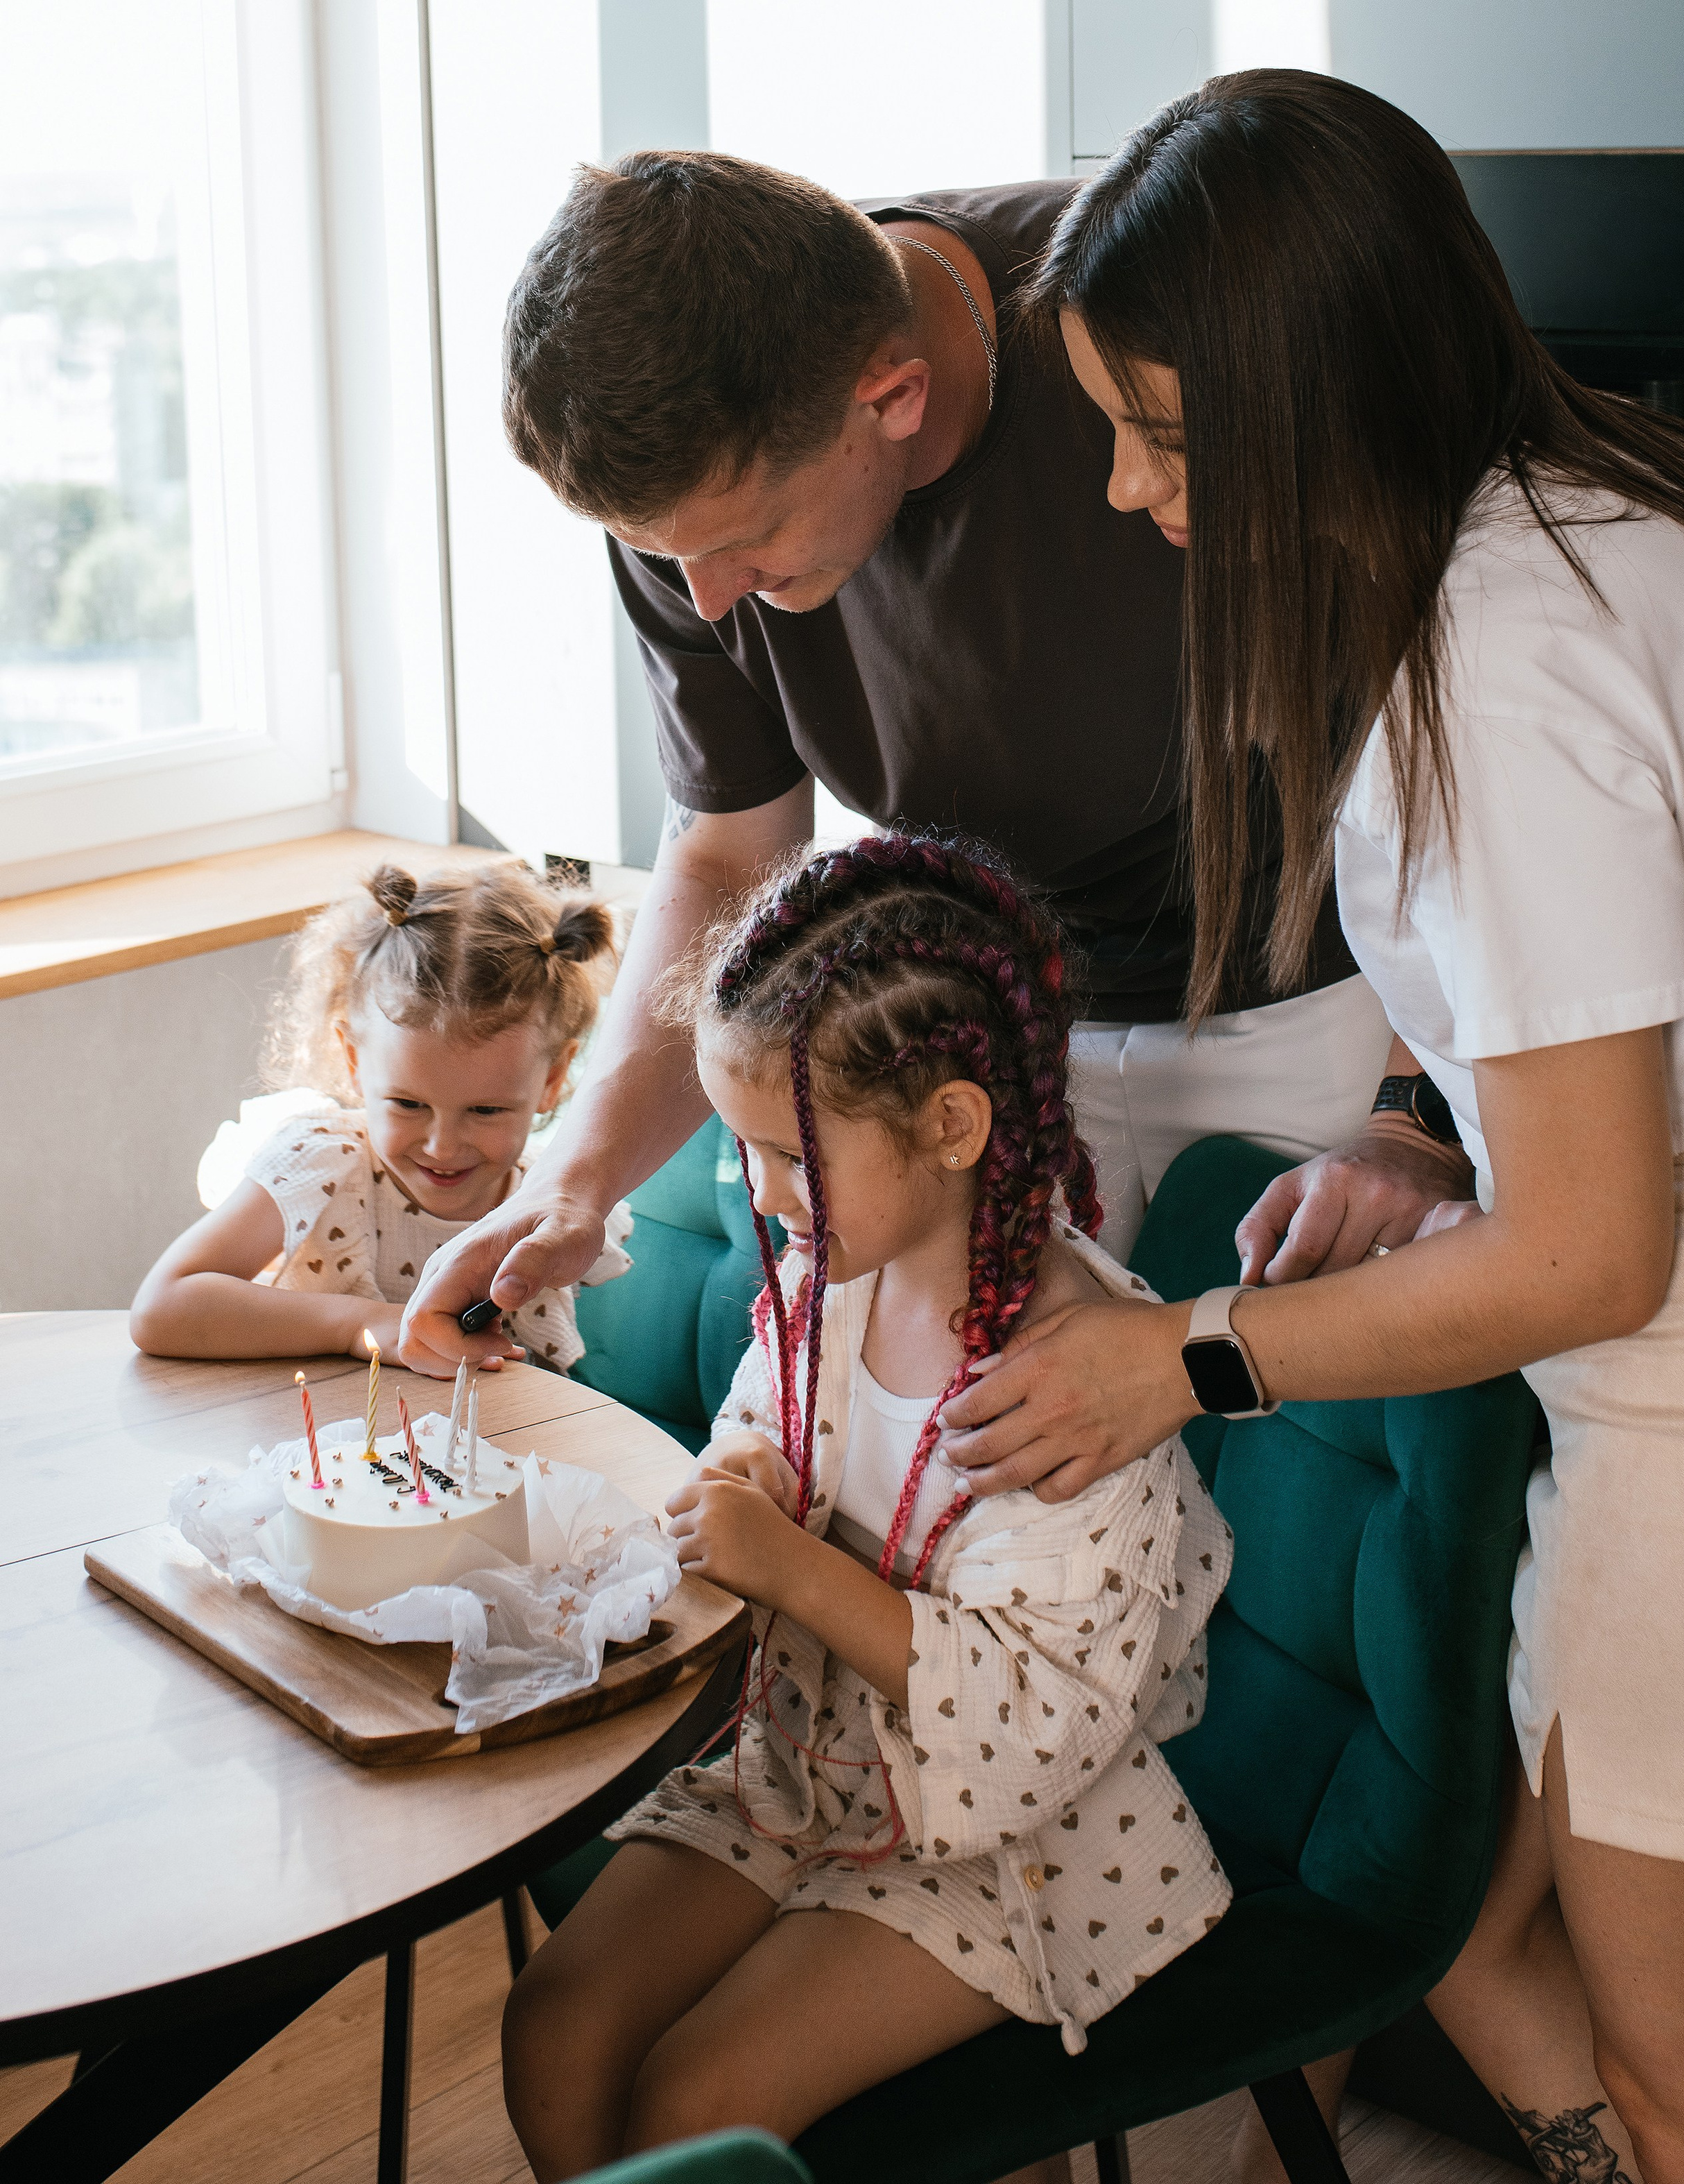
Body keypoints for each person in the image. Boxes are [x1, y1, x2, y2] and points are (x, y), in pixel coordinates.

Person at [936, 71, 1684, 2183]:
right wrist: (1417, 1127)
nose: (1126, 491)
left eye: (1165, 435)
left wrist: (1182, 1352)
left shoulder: (1500, 658)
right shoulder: (1596, 514)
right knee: (1473, 1922)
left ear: (1324, 388)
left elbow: (1592, 1246)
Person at [400, 151, 1403, 1375]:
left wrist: (1418, 1116)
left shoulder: (1148, 333)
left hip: (1313, 996)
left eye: (741, 543)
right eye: (667, 561)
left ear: (897, 397)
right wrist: (575, 1182)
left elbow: (1440, 734)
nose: (712, 602)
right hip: (998, 1035)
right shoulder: (688, 508)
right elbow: (726, 857)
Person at [500, 833, 1232, 2180]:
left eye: (788, 1155)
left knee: (693, 2107)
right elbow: (753, 1442)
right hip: (798, 1765)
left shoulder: (1072, 1385)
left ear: (952, 1126)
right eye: (745, 1154)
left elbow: (1032, 1722)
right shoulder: (828, 1273)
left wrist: (778, 1562)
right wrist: (743, 1480)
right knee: (557, 2026)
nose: (763, 1199)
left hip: (1003, 1844)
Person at [131, 861, 621, 1369]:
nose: (443, 1146)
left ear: (552, 1080)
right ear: (353, 1062)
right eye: (409, 1104)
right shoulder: (323, 1167)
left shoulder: (544, 1199)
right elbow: (161, 1308)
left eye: (485, 1110)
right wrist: (358, 1324)